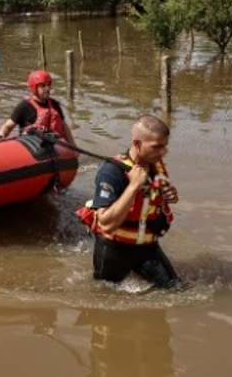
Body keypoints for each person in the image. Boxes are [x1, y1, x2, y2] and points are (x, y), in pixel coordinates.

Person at [75, 114, 181, 289]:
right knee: (104, 294)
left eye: (165, 146)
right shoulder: (111, 172)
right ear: (137, 144)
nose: (163, 152)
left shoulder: (155, 166)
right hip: (114, 248)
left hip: (147, 246)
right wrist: (133, 187)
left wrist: (170, 196)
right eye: (157, 147)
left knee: (175, 289)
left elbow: (151, 203)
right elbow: (106, 223)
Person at [0, 70, 75, 144]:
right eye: (43, 85)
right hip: (32, 147)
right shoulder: (24, 106)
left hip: (53, 146)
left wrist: (73, 147)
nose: (47, 88)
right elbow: (7, 127)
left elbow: (64, 127)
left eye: (48, 85)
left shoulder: (55, 104)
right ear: (34, 87)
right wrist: (1, 137)